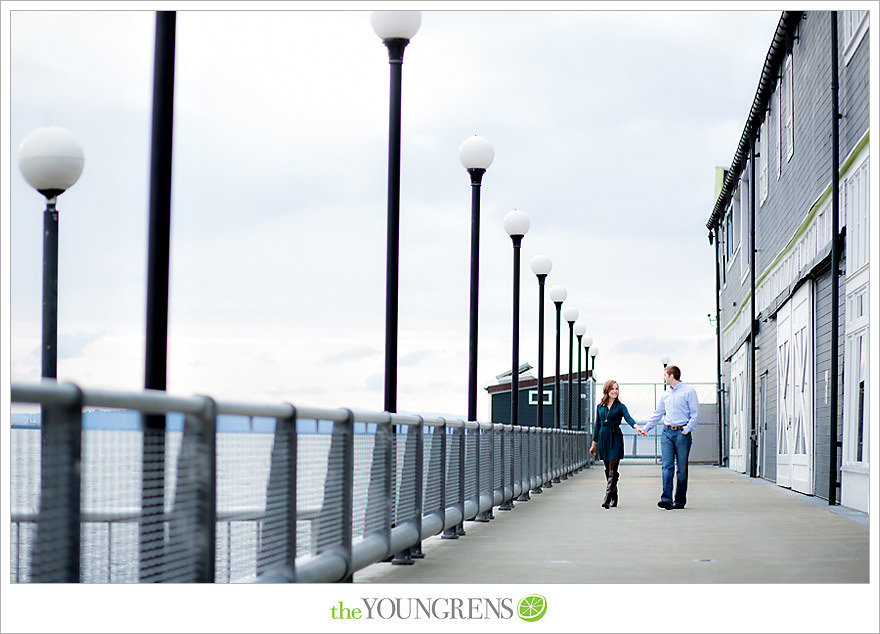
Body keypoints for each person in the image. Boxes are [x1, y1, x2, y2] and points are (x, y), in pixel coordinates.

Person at [639, 365, 699, 510]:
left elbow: (695, 414)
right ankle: (666, 499)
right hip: (666, 432)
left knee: (682, 469)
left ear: (672, 376)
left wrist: (686, 429)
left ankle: (679, 501)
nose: (663, 378)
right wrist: (646, 428)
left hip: (681, 433)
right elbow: (658, 413)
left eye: (665, 375)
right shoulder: (666, 394)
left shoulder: (689, 392)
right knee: (667, 466)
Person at [589, 380, 646, 509]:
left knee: (613, 469)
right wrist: (594, 445)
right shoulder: (600, 407)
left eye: (617, 389)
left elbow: (628, 417)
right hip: (603, 438)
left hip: (615, 437)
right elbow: (597, 426)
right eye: (612, 389)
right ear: (607, 390)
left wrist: (637, 427)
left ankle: (607, 498)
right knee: (608, 470)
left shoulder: (621, 406)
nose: (615, 391)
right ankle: (614, 497)